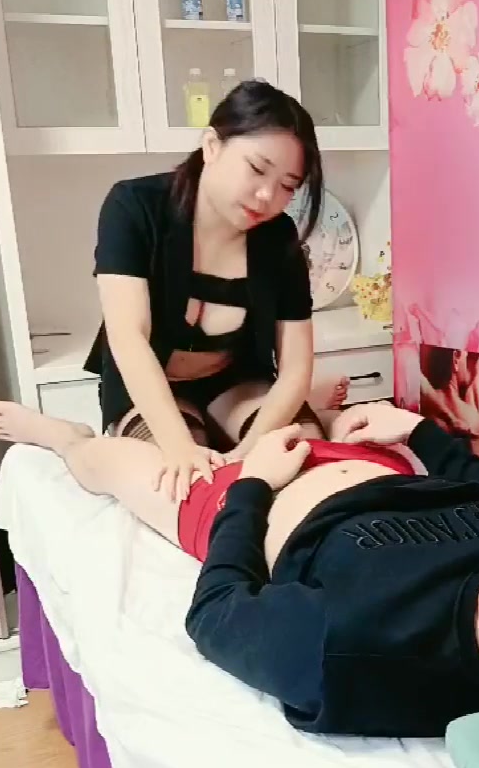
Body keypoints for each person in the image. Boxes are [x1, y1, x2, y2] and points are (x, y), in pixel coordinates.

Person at [0, 396, 479, 739]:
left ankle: (61, 432)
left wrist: (251, 486)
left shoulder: (349, 646)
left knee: (111, 459)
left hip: (257, 498)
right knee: (288, 404)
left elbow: (213, 616)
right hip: (384, 465)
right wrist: (419, 431)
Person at [84, 78, 347, 503]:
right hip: (153, 384)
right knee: (187, 487)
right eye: (257, 169)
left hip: (234, 382)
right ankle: (65, 437)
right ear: (212, 146)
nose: (266, 195)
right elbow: (128, 337)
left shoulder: (278, 237)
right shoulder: (134, 205)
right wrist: (179, 447)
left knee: (301, 463)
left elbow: (295, 367)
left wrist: (249, 454)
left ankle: (307, 412)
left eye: (287, 186)